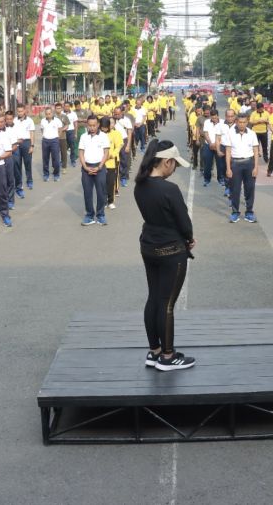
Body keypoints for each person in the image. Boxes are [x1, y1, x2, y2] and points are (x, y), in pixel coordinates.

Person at [133, 139, 196, 371]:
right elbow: (184, 223)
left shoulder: (140, 185)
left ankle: (155, 351)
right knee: (167, 304)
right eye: (174, 165)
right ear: (167, 162)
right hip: (171, 250)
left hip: (149, 246)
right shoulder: (169, 189)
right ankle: (168, 357)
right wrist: (189, 239)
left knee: (153, 299)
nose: (175, 169)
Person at [225, 113, 260, 223]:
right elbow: (228, 151)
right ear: (236, 122)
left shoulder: (252, 133)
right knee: (235, 189)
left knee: (250, 188)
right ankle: (235, 212)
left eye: (244, 122)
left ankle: (249, 212)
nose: (242, 124)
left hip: (249, 163)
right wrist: (228, 168)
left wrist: (256, 167)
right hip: (235, 163)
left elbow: (255, 151)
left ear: (247, 122)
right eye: (240, 122)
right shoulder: (230, 133)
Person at [78, 115, 111, 226]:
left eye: (94, 125)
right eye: (90, 125)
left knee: (101, 192)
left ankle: (100, 215)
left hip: (99, 167)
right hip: (86, 168)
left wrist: (100, 166)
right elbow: (81, 153)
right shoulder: (83, 136)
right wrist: (85, 167)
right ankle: (89, 215)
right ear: (87, 125)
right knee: (87, 193)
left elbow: (106, 153)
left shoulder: (103, 136)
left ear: (98, 125)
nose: (92, 128)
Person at [101, 117, 123, 211]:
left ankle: (110, 201)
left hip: (111, 162)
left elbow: (118, 146)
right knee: (102, 183)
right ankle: (103, 201)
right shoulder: (98, 134)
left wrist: (112, 155)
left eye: (106, 127)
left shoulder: (115, 134)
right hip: (100, 162)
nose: (104, 129)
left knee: (110, 182)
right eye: (103, 127)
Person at [13, 105, 35, 193]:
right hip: (17, 143)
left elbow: (32, 133)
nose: (20, 113)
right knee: (17, 164)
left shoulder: (29, 121)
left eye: (21, 111)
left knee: (27, 163)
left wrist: (32, 145)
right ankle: (19, 183)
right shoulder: (14, 120)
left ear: (25, 111)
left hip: (26, 143)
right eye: (18, 111)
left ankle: (29, 180)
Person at [39, 106, 63, 182]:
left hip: (54, 141)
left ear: (52, 113)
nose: (48, 115)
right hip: (45, 141)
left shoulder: (57, 121)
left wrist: (57, 137)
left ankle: (56, 174)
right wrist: (45, 136)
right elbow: (42, 129)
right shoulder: (43, 121)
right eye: (47, 114)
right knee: (45, 159)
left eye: (49, 113)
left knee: (56, 159)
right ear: (45, 114)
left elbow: (60, 130)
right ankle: (46, 174)